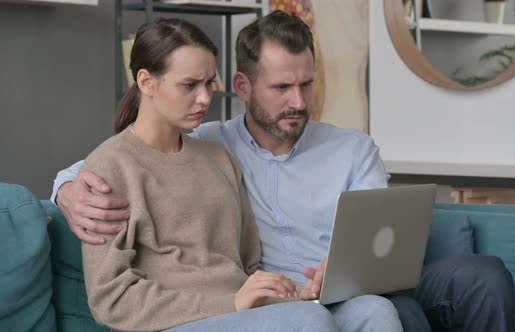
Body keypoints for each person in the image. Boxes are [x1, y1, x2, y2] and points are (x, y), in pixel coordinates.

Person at [53, 10, 515, 332]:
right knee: (384, 316)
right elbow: (120, 161)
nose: (298, 102)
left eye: (306, 84)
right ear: (244, 86)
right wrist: (68, 190)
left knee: (464, 280)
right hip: (263, 302)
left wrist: (334, 274)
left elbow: (378, 244)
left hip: (339, 289)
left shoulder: (342, 149)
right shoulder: (211, 139)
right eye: (281, 88)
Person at [73, 17, 349, 332]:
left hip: (238, 315)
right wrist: (231, 304)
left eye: (209, 83)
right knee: (311, 320)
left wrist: (297, 296)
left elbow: (247, 270)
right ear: (146, 82)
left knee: (366, 311)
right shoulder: (108, 167)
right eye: (189, 85)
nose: (205, 98)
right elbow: (112, 300)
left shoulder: (219, 159)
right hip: (173, 323)